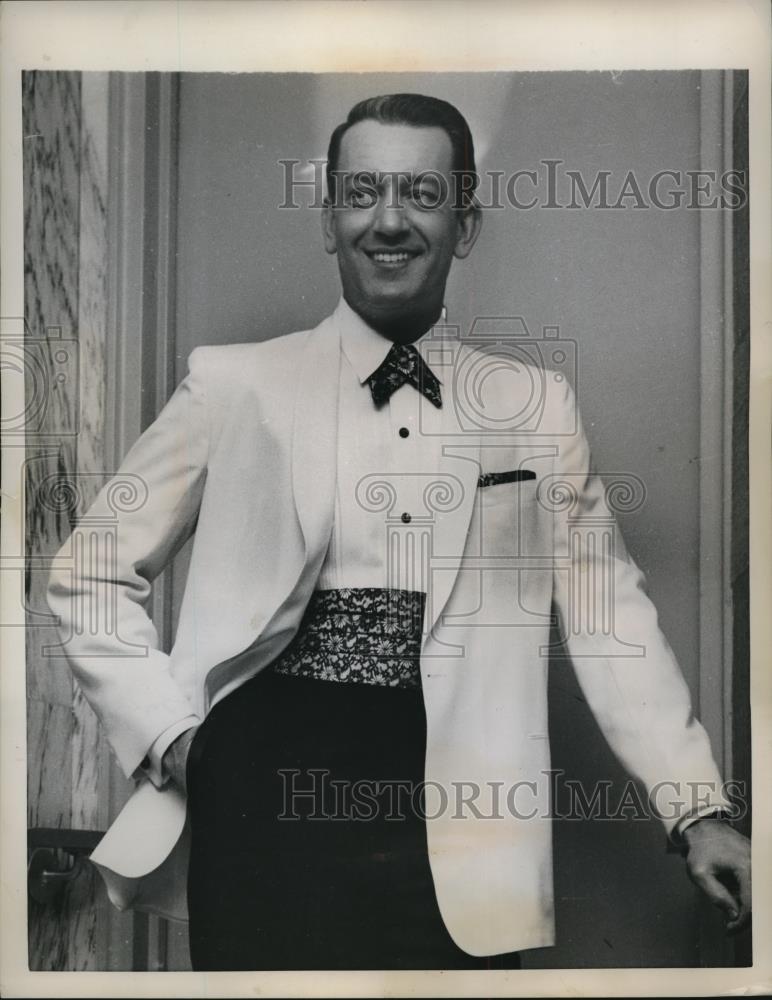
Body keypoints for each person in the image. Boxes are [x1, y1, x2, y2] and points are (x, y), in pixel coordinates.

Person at [47, 93, 751, 970]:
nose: (389, 221)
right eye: (363, 192)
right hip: (264, 785)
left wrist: (697, 809)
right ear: (329, 218)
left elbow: (612, 618)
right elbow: (88, 572)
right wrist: (176, 740)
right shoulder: (235, 387)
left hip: (464, 811)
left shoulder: (535, 407)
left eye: (421, 192)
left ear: (466, 223)